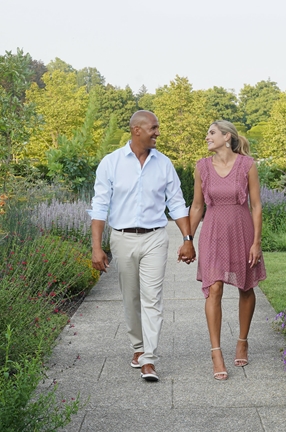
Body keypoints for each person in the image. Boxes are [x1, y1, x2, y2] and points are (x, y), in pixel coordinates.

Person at [89, 110, 196, 383]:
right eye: (154, 128)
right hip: (122, 238)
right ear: (137, 130)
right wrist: (96, 247)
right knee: (131, 297)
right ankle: (137, 347)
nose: (158, 132)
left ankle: (149, 358)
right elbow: (100, 206)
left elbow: (176, 202)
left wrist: (187, 239)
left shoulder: (164, 164)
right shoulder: (111, 163)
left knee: (152, 297)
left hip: (155, 237)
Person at [188, 120, 266, 381]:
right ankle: (216, 352)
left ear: (226, 136)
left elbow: (256, 206)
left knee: (246, 286)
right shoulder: (202, 167)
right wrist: (188, 238)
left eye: (211, 133)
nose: (206, 137)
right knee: (214, 288)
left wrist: (257, 242)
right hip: (212, 233)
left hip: (241, 232)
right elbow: (197, 206)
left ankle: (242, 340)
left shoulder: (247, 165)